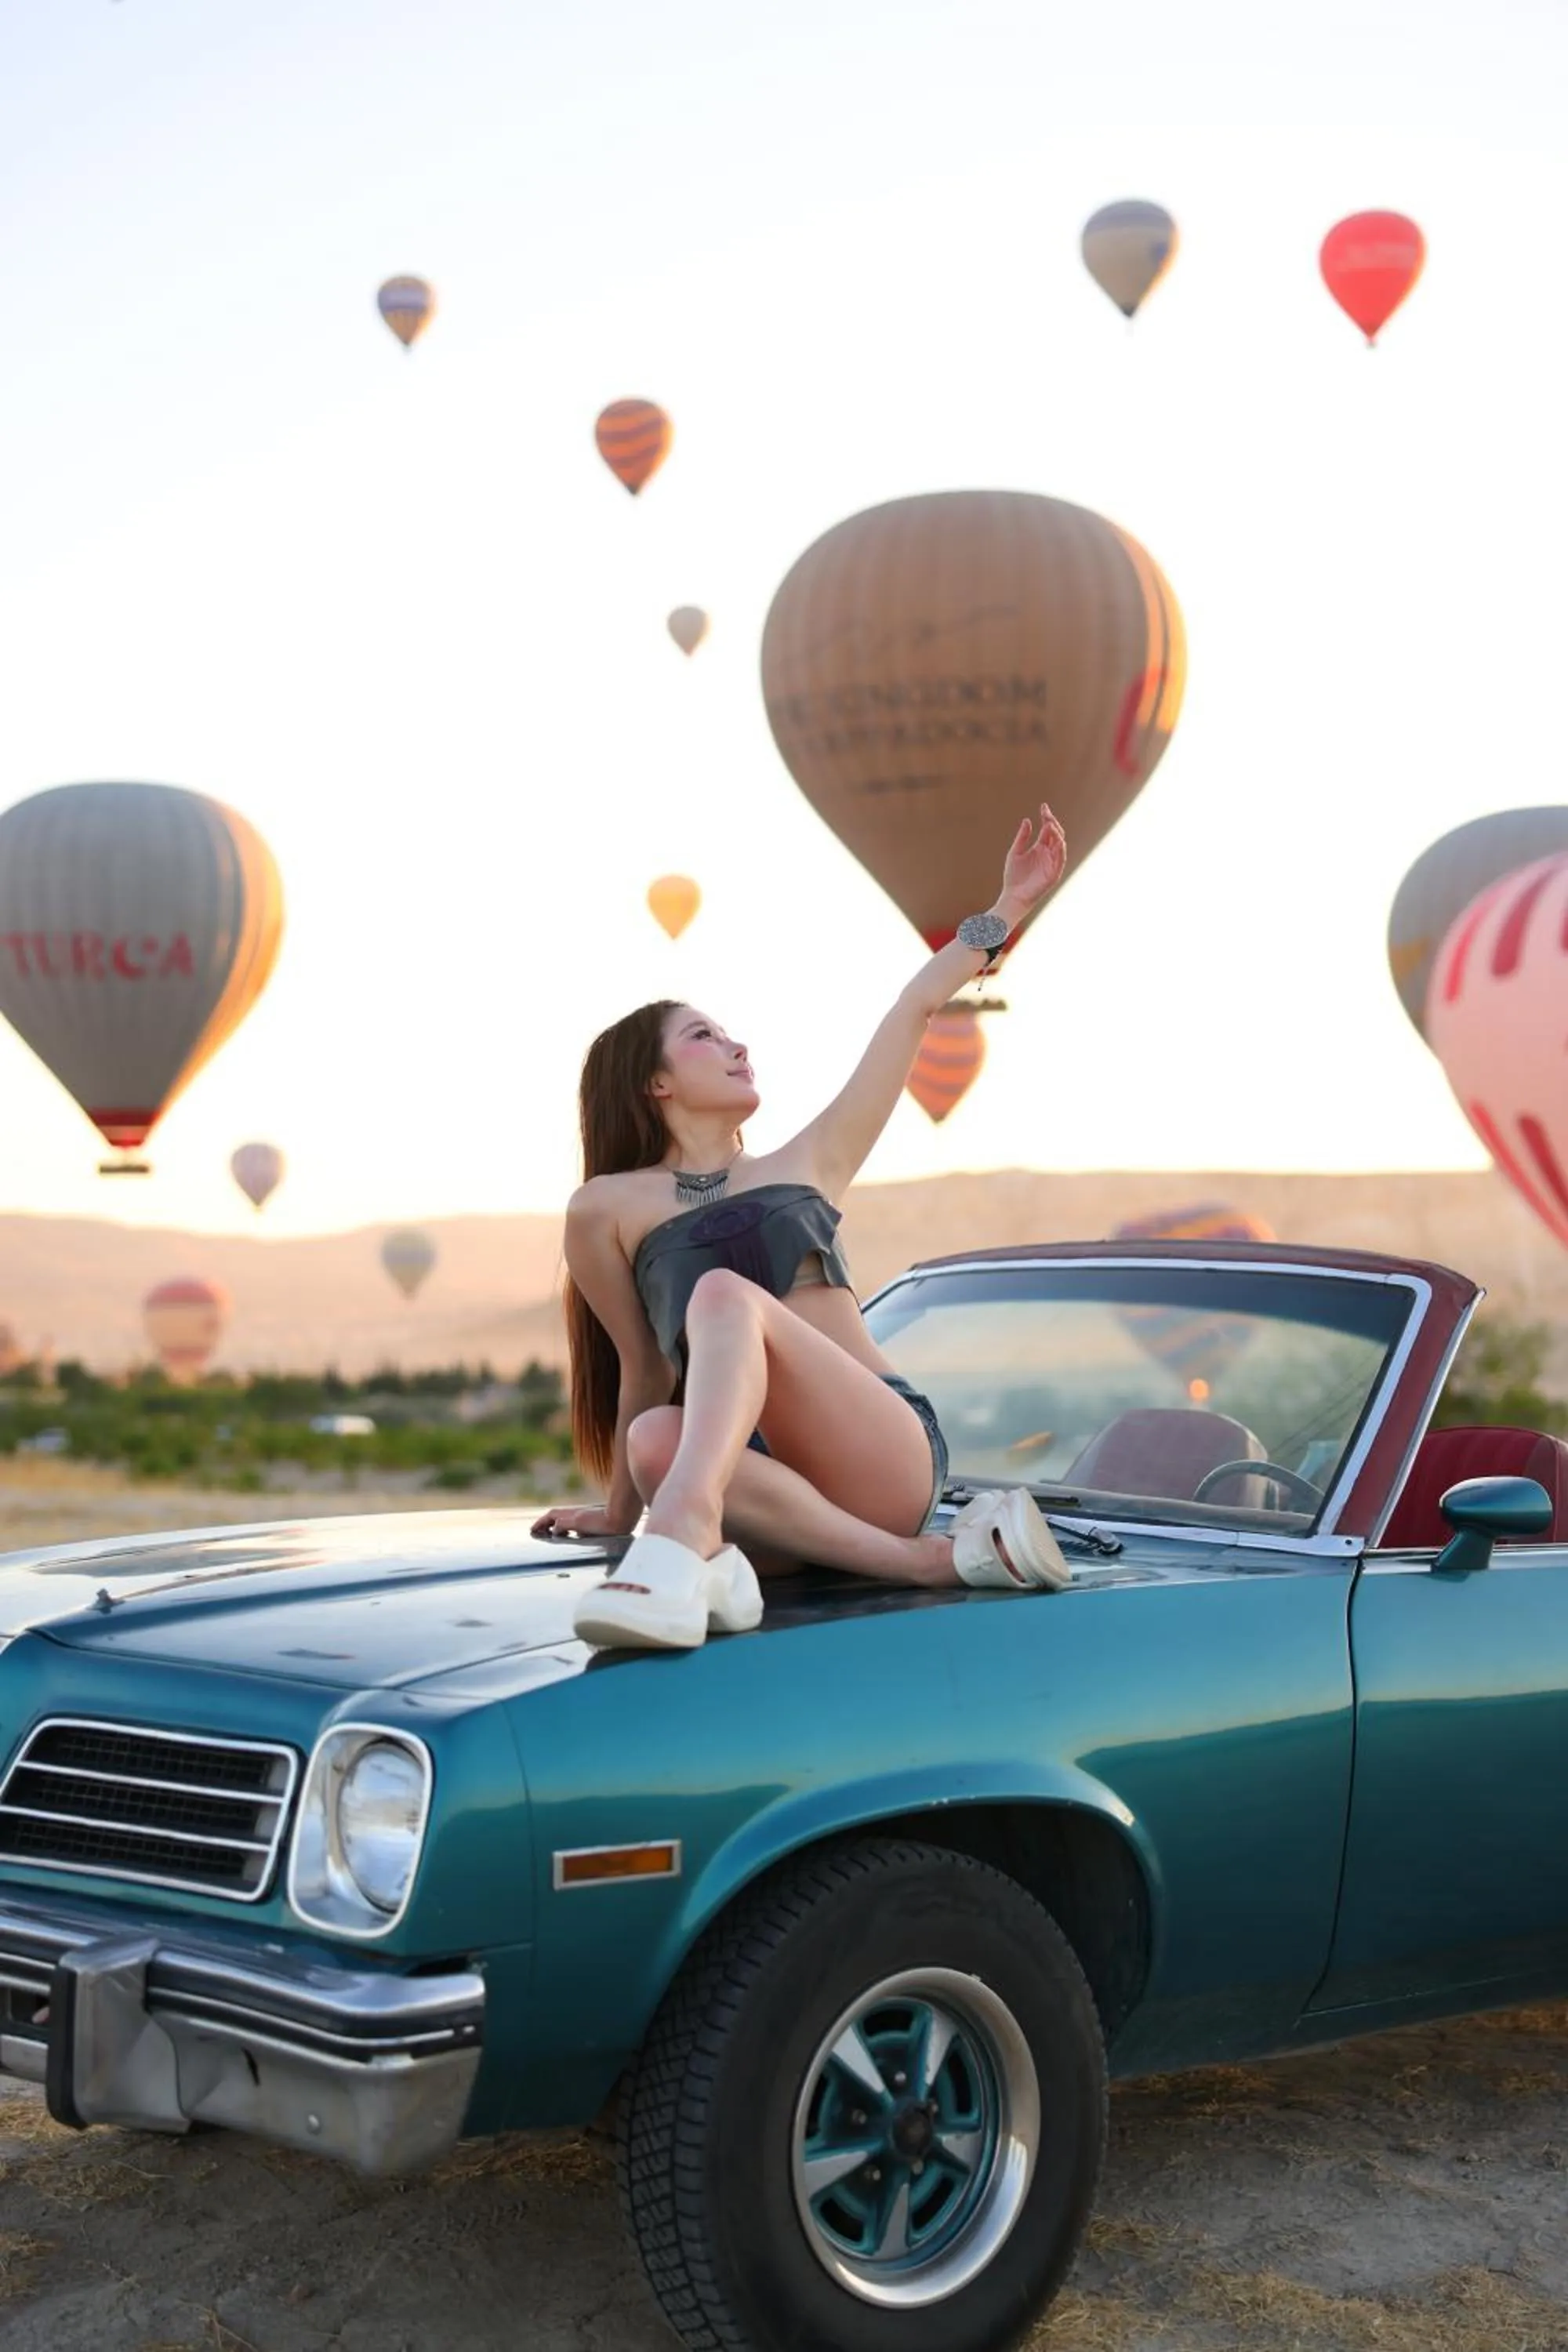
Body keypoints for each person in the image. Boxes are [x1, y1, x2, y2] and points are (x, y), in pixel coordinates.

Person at [533, 804, 1073, 1650]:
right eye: (704, 1037)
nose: (737, 1046)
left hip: (879, 1452)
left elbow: (914, 1008)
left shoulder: (809, 1161)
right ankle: (917, 1563)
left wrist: (1007, 907)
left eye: (730, 1034)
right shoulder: (603, 1208)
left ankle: (685, 1536)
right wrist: (615, 1512)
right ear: (654, 1083)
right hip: (763, 1486)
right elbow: (643, 1367)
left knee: (721, 1295)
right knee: (650, 1435)